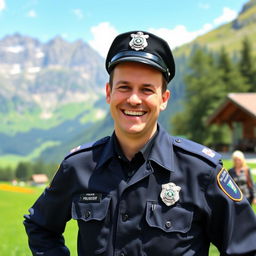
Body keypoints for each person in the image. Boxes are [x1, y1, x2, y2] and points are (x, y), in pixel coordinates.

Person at [24, 31, 256, 256]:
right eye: (124, 87)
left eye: (146, 89)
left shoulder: (201, 171)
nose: (134, 99)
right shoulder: (78, 166)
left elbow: (247, 247)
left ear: (163, 99)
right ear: (108, 93)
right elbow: (40, 226)